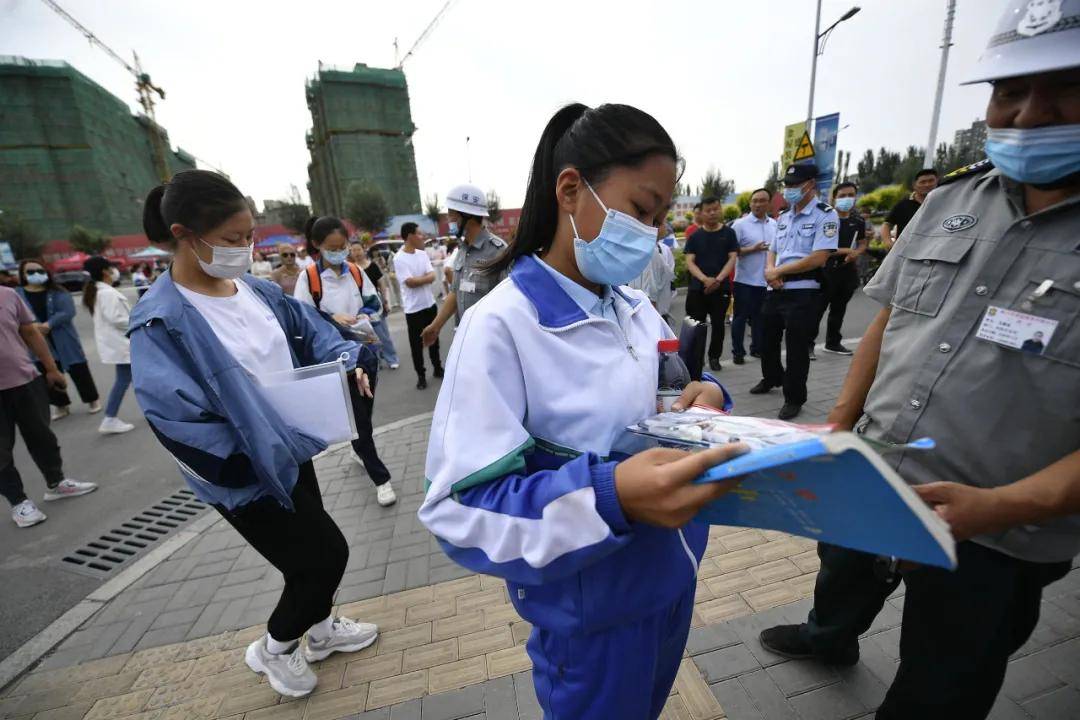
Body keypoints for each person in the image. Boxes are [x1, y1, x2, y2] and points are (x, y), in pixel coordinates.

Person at [760, 5, 1080, 717]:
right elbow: (889, 320)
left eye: (1063, 87)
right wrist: (841, 426)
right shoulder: (951, 201)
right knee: (840, 574)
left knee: (946, 676)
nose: (1028, 115)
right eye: (1009, 92)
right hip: (876, 467)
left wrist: (999, 506)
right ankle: (829, 636)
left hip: (1000, 526)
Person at [419, 102, 744, 720]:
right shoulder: (502, 328)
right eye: (641, 211)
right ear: (571, 189)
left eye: (660, 218)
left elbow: (675, 385)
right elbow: (457, 509)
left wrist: (708, 398)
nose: (651, 234)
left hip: (670, 584)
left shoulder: (631, 307)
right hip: (592, 621)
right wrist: (609, 496)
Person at [130, 170, 381, 698]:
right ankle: (273, 648)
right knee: (322, 557)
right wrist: (244, 466)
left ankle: (319, 630)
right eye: (230, 240)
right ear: (183, 233)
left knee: (313, 555)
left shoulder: (257, 291)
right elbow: (175, 420)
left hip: (292, 448)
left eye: (249, 237)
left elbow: (314, 335)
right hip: (244, 471)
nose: (245, 248)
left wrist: (349, 361)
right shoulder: (162, 321)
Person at [293, 217, 397, 508]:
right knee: (360, 419)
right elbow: (303, 319)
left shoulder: (355, 271)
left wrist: (362, 313)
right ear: (317, 246)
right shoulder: (309, 279)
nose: (339, 253)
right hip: (337, 357)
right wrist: (332, 319)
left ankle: (358, 449)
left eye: (342, 247)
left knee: (363, 411)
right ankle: (381, 479)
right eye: (332, 248)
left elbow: (375, 303)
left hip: (366, 349)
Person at [1, 284, 97, 528]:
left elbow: (30, 332)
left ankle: (57, 483)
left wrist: (51, 368)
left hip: (25, 380)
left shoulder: (8, 295)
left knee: (42, 436)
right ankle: (18, 502)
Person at [750, 163, 839, 420]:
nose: (789, 190)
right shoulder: (784, 217)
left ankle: (794, 397)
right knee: (766, 339)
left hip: (804, 291)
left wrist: (780, 272)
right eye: (786, 185)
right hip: (776, 288)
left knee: (797, 347)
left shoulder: (825, 215)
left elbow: (820, 257)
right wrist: (770, 270)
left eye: (794, 185)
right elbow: (773, 250)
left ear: (810, 184)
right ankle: (771, 378)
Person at [419, 184, 508, 346]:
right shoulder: (463, 249)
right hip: (464, 336)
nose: (448, 220)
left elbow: (510, 303)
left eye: (451, 215)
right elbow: (455, 291)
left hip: (491, 341)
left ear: (467, 216)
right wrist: (436, 326)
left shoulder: (498, 251)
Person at [16, 259, 102, 419]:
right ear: (22, 274)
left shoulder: (59, 291)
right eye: (30, 272)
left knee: (79, 370)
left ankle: (92, 399)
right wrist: (34, 326)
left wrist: (48, 324)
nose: (36, 274)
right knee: (47, 371)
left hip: (64, 339)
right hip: (37, 342)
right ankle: (61, 405)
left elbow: (67, 311)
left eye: (40, 271)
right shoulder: (18, 294)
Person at [810, 182, 867, 356]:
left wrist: (856, 252)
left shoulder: (858, 221)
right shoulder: (825, 218)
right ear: (834, 198)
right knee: (817, 310)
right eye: (842, 196)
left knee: (838, 310)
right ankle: (807, 345)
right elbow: (819, 247)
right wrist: (846, 250)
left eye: (851, 195)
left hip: (847, 271)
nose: (847, 199)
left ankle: (833, 343)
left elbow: (863, 242)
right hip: (826, 270)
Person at [683, 196, 738, 371]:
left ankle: (714, 357)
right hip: (698, 288)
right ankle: (697, 359)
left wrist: (718, 279)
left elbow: (732, 258)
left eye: (716, 209)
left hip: (721, 288)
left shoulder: (729, 233)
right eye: (708, 210)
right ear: (702, 213)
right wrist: (705, 279)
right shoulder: (695, 236)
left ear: (720, 209)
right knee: (697, 326)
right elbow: (690, 261)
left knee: (718, 325)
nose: (713, 213)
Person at [82, 257, 136, 435]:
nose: (115, 271)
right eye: (112, 267)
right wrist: (139, 321)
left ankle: (111, 417)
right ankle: (110, 417)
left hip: (119, 344)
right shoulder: (107, 293)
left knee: (136, 379)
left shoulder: (99, 291)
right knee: (125, 380)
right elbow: (117, 319)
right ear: (105, 271)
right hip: (122, 344)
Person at [394, 223, 443, 389]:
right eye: (419, 233)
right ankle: (421, 376)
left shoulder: (422, 255)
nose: (422, 236)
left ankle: (437, 368)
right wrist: (425, 278)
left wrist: (421, 279)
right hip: (413, 309)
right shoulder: (399, 258)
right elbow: (410, 283)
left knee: (434, 339)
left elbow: (432, 276)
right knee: (417, 345)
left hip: (430, 304)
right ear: (409, 236)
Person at [730, 188, 775, 365]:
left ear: (769, 203)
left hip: (767, 281)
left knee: (760, 318)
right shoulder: (740, 225)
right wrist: (753, 249)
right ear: (750, 203)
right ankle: (738, 352)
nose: (758, 204)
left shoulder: (774, 225)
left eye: (762, 200)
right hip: (745, 280)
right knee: (740, 318)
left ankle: (757, 349)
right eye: (754, 200)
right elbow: (733, 252)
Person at [349, 240, 400, 370]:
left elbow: (382, 285)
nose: (356, 253)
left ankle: (392, 358)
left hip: (375, 306)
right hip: (358, 309)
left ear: (364, 250)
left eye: (358, 249)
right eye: (353, 250)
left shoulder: (372, 266)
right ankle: (376, 361)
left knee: (383, 335)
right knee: (366, 337)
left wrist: (385, 301)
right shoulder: (350, 269)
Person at [628, 224, 676, 323]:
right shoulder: (649, 254)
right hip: (653, 315)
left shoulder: (649, 250)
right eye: (663, 223)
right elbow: (650, 295)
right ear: (655, 226)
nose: (666, 227)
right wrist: (654, 322)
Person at [881, 168, 939, 249]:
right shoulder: (903, 205)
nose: (927, 184)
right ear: (914, 185)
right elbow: (887, 224)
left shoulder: (944, 203)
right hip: (905, 252)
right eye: (923, 182)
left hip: (935, 251)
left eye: (931, 181)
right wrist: (889, 244)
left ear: (937, 182)